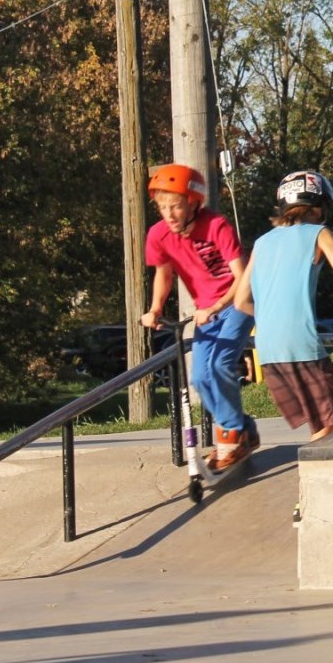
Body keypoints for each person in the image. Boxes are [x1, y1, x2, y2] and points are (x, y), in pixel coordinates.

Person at [231, 170, 333, 441]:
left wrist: (272, 318)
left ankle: (321, 476)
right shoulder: (319, 233)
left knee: (327, 424)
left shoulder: (262, 242)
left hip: (268, 349)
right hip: (299, 344)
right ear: (319, 206)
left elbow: (241, 301)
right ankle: (310, 480)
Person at [140, 163, 257, 470]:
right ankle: (241, 429)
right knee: (200, 377)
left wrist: (216, 308)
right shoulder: (158, 235)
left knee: (219, 364)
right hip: (206, 312)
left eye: (176, 206)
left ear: (193, 202)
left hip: (239, 304)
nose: (169, 214)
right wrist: (155, 309)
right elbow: (163, 276)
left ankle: (230, 438)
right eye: (163, 207)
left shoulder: (217, 226)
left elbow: (242, 278)